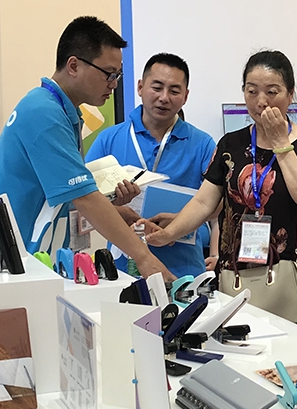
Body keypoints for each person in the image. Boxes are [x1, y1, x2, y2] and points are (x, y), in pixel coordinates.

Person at [143, 50, 297, 337]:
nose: (261, 101)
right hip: (235, 278)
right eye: (251, 91)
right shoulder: (230, 144)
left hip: (292, 283)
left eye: (272, 92)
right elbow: (204, 202)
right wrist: (168, 234)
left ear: (290, 94)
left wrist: (281, 143)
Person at [0, 16, 172, 280]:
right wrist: (145, 259)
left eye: (118, 75)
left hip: (34, 259)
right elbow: (84, 197)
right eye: (109, 74)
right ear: (74, 65)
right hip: (19, 262)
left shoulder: (61, 111)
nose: (114, 83)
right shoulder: (44, 113)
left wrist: (115, 212)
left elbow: (62, 197)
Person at [86, 53, 218, 278]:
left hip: (184, 272)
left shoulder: (203, 144)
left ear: (185, 97)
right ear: (140, 87)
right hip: (122, 270)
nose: (164, 98)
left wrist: (181, 220)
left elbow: (218, 204)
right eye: (157, 88)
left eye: (174, 91)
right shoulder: (108, 139)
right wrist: (115, 208)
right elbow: (83, 201)